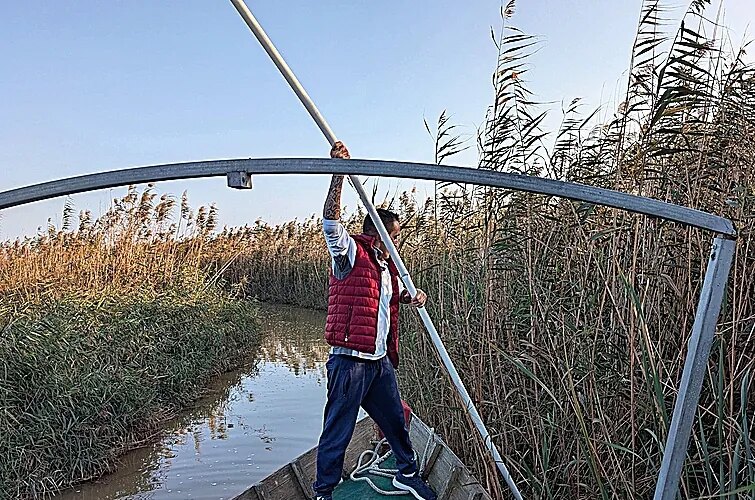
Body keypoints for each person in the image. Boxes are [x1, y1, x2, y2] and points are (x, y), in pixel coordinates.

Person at [313, 141, 437, 500]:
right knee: (338, 429)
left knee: (396, 422)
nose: (398, 244)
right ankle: (324, 491)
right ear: (378, 235)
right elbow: (330, 222)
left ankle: (407, 473)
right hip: (350, 362)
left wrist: (409, 296)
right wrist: (338, 173)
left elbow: (381, 299)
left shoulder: (385, 268)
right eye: (394, 237)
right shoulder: (350, 252)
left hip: (379, 362)